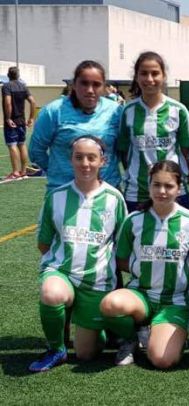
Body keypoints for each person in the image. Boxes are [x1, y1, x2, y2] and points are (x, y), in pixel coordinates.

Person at [29, 135, 127, 372]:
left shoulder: (114, 199)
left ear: (102, 161)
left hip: (96, 281)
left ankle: (100, 328)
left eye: (91, 158)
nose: (85, 163)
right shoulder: (57, 196)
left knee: (85, 354)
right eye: (79, 157)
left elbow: (122, 245)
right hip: (62, 271)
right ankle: (56, 349)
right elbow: (44, 244)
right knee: (51, 293)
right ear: (70, 159)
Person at [100, 160, 189, 369]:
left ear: (179, 188)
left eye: (168, 186)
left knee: (163, 360)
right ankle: (131, 339)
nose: (162, 191)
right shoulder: (134, 220)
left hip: (175, 301)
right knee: (110, 304)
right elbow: (121, 259)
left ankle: (171, 332)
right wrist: (147, 268)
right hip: (141, 295)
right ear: (149, 185)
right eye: (156, 185)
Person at [118, 51, 189, 213]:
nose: (149, 79)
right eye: (144, 73)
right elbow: (124, 152)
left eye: (155, 73)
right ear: (137, 77)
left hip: (173, 192)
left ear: (164, 76)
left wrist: (180, 178)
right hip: (137, 193)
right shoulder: (128, 111)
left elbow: (188, 152)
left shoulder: (178, 110)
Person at [29, 60, 121, 191]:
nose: (90, 90)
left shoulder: (115, 111)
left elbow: (124, 149)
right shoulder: (53, 111)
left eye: (96, 84)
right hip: (63, 190)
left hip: (107, 191)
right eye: (84, 83)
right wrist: (60, 172)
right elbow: (36, 151)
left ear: (104, 87)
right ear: (74, 84)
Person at [2, 66, 36, 180]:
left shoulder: (6, 86)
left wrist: (8, 118)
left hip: (12, 121)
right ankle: (24, 171)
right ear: (18, 75)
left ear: (8, 75)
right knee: (21, 144)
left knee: (12, 145)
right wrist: (31, 117)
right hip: (22, 120)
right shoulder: (23, 86)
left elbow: (8, 102)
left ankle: (15, 172)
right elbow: (32, 101)